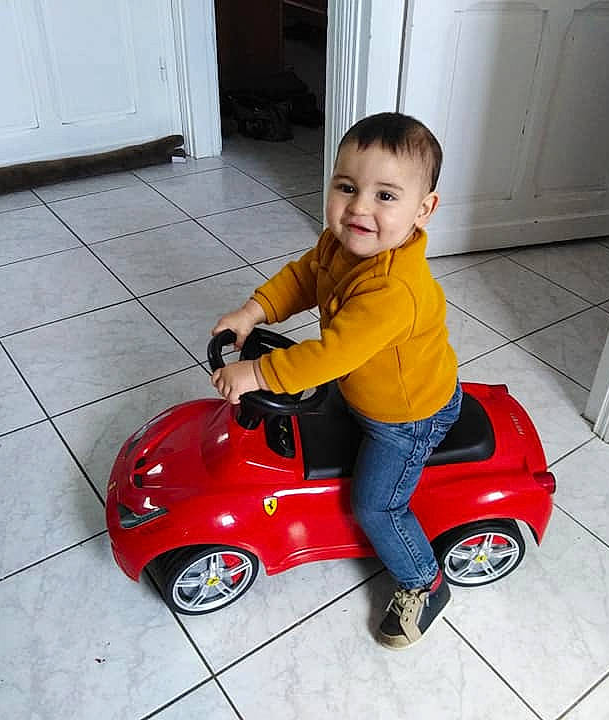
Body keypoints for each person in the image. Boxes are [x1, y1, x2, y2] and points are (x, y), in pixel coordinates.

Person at [211, 112, 460, 649]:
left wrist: (255, 372)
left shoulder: (393, 289)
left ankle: (425, 582)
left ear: (424, 210)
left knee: (376, 505)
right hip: (369, 391)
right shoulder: (338, 243)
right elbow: (303, 277)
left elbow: (329, 356)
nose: (359, 208)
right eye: (347, 186)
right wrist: (254, 311)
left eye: (386, 196)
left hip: (406, 419)